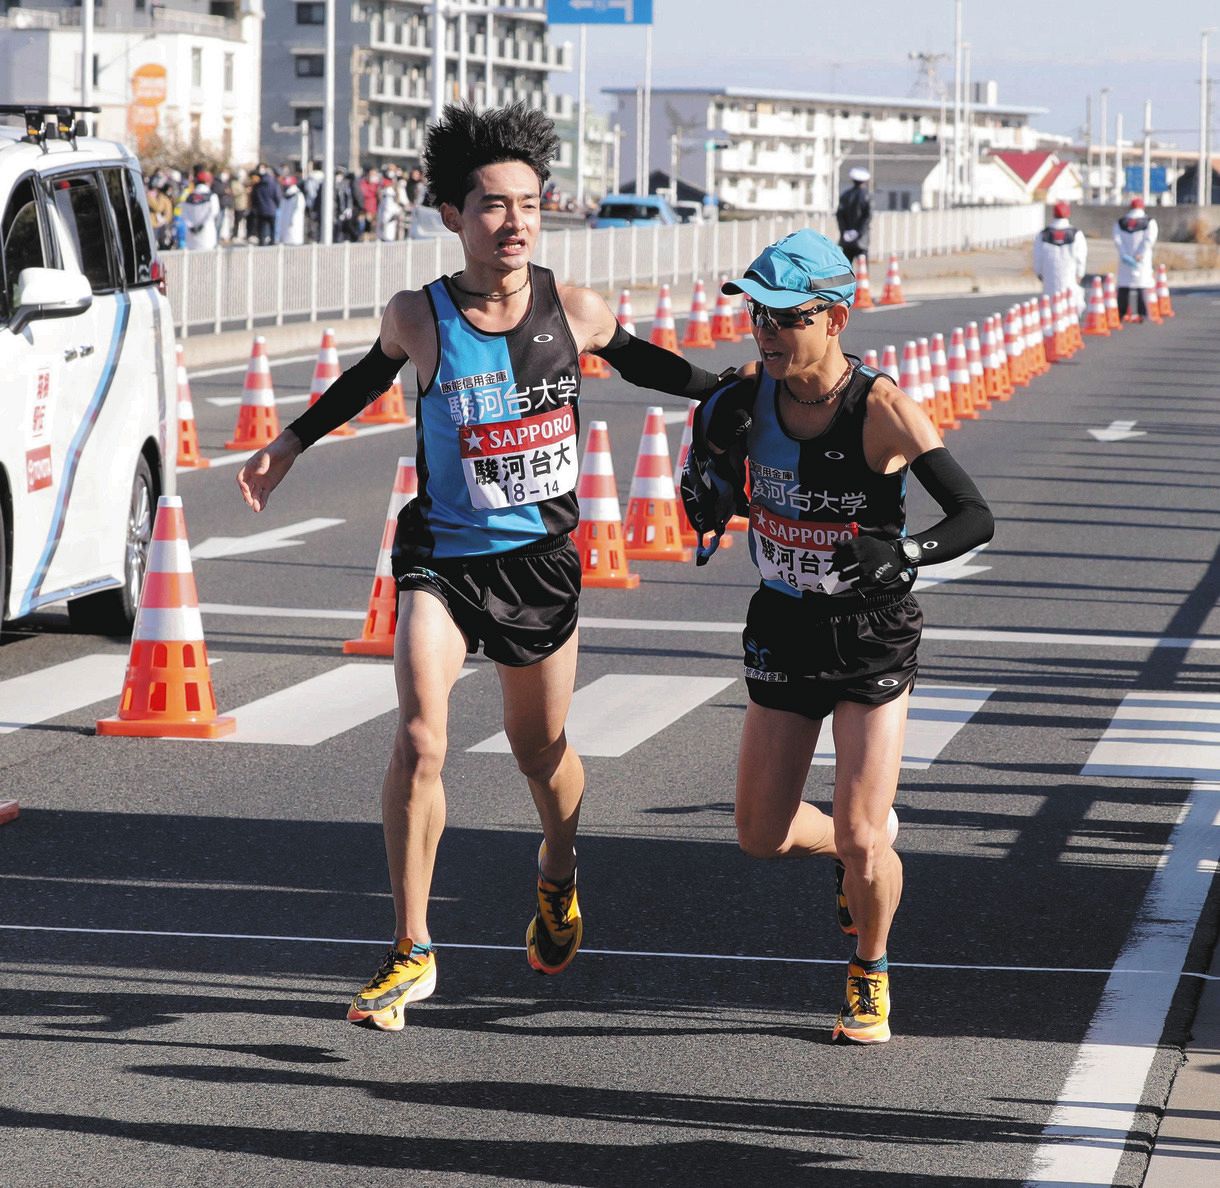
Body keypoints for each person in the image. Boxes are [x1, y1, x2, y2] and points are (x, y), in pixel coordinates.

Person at [235, 101, 732, 1033]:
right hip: (442, 560)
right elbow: (365, 378)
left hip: (541, 564)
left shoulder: (573, 308)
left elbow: (650, 364)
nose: (515, 223)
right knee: (421, 737)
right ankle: (411, 948)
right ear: (453, 217)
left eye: (531, 206)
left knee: (538, 751)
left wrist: (737, 389)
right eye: (494, 207)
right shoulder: (417, 316)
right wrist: (289, 443)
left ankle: (558, 867)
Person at [684, 229, 993, 1044]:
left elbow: (973, 516)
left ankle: (870, 968)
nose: (767, 329)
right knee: (760, 835)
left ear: (837, 318)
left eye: (787, 316)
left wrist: (906, 552)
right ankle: (856, 853)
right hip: (784, 624)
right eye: (758, 313)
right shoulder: (745, 397)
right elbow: (704, 447)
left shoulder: (882, 408)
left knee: (861, 830)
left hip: (868, 633)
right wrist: (710, 491)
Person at [1033, 200, 1087, 313]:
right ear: (1068, 213)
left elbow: (1037, 256)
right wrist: (1080, 273)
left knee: (1051, 306)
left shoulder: (1043, 234)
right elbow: (1081, 256)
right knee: (1070, 304)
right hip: (1069, 274)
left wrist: (1039, 272)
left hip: (1049, 276)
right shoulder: (1076, 234)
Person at [1113, 196, 1158, 321]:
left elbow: (1117, 240)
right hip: (1141, 259)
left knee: (1124, 285)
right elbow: (1149, 239)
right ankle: (1142, 312)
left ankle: (1121, 312)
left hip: (1125, 258)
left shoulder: (1121, 222)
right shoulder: (1149, 222)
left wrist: (1123, 254)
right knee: (1141, 285)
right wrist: (1141, 253)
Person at [835, 167, 872, 266]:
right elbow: (867, 216)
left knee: (846, 265)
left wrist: (844, 231)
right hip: (861, 238)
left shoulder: (845, 195)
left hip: (846, 238)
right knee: (862, 266)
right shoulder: (867, 195)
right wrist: (859, 232)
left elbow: (839, 215)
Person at [179, 171, 221, 251]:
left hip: (191, 235)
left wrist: (191, 226)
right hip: (207, 234)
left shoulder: (189, 196)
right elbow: (214, 213)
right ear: (208, 182)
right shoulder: (212, 196)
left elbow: (183, 213)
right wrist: (202, 226)